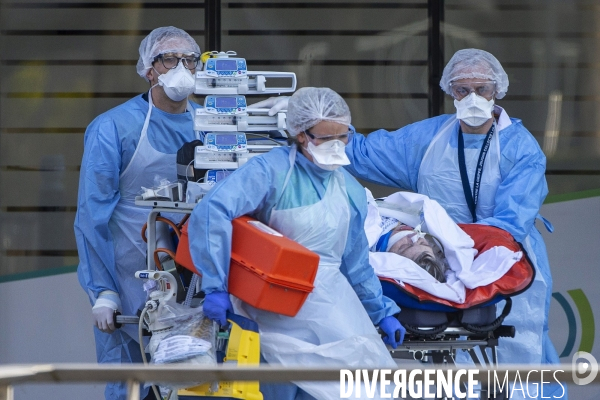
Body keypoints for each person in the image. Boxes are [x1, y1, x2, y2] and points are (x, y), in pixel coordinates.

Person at [344, 49, 565, 398]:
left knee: (521, 353)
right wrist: (315, 129)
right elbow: (361, 152)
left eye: (482, 89)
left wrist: (460, 248)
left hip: (504, 263)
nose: (473, 98)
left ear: (498, 91)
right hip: (441, 268)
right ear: (450, 92)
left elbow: (510, 223)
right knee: (453, 364)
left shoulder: (520, 148)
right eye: (462, 90)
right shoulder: (427, 138)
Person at [188, 87, 404, 400]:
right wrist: (215, 286)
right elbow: (213, 211)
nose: (336, 146)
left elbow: (355, 263)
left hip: (330, 307)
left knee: (366, 386)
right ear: (301, 135)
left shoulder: (351, 191)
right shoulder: (271, 172)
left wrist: (381, 311)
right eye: (325, 138)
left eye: (343, 137)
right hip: (272, 309)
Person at [74, 26, 202, 400]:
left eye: (189, 60)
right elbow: (91, 217)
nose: (181, 67)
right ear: (149, 69)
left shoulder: (209, 126)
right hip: (130, 272)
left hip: (192, 270)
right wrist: (104, 291)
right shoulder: (112, 128)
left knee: (196, 374)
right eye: (169, 59)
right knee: (133, 378)